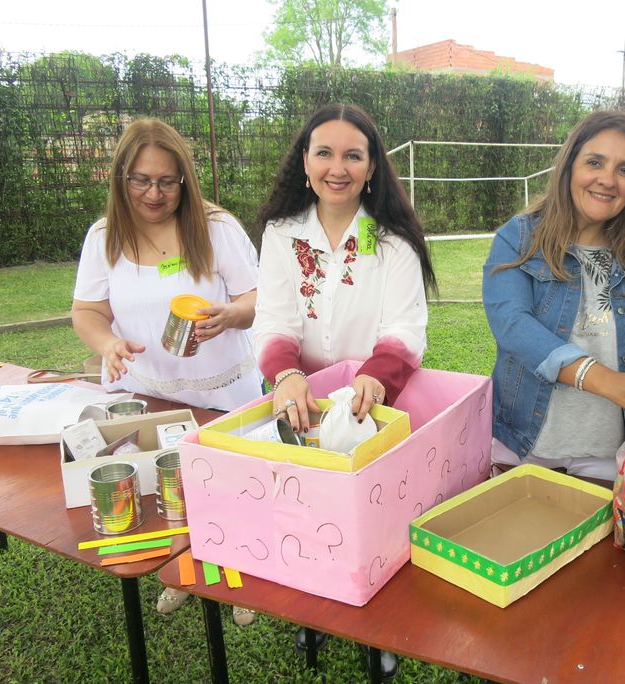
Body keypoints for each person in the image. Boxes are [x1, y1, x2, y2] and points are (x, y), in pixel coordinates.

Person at [253, 102, 436, 679]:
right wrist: (286, 375)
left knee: (374, 522)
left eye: (353, 155)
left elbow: (405, 326)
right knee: (306, 514)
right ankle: (313, 613)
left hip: (372, 404)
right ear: (304, 162)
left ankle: (378, 631)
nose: (339, 168)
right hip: (302, 406)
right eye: (325, 153)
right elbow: (273, 319)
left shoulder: (392, 241)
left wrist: (375, 376)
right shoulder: (282, 234)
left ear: (372, 166)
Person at [71, 117, 262, 625]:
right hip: (145, 395)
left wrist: (231, 315)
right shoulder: (104, 236)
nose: (154, 194)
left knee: (228, 489)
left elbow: (258, 297)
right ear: (122, 178)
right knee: (166, 489)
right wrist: (108, 342)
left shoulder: (217, 227)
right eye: (141, 180)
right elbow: (86, 311)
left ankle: (235, 574)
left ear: (184, 180)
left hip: (221, 393)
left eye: (166, 181)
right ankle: (179, 571)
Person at [483, 110, 625, 483]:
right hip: (522, 448)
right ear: (570, 166)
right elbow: (514, 326)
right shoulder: (518, 238)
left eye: (624, 170)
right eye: (595, 163)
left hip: (608, 457)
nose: (608, 180)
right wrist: (608, 381)